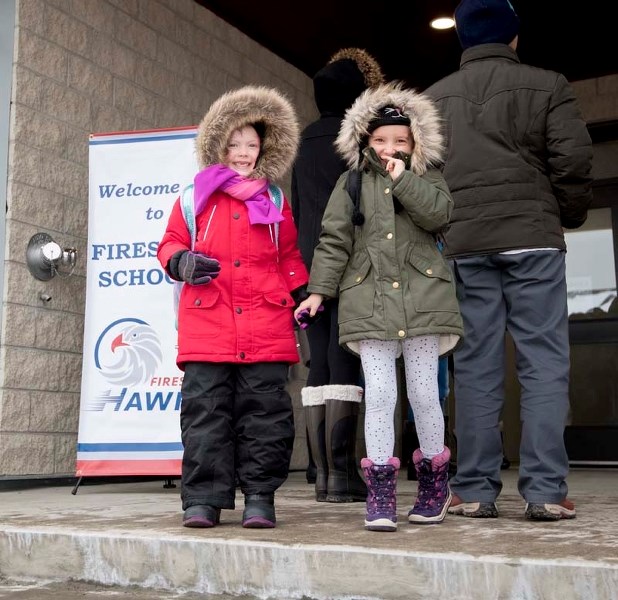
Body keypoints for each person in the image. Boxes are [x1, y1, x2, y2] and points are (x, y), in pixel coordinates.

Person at [424, 0, 593, 520]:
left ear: (464, 41)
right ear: (514, 37)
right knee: (543, 361)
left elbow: (423, 174)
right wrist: (563, 211)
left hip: (466, 242)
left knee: (474, 363)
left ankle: (474, 489)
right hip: (533, 240)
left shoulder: (432, 99)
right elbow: (574, 156)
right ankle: (544, 490)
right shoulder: (548, 85)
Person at [295, 82, 464, 531]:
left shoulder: (426, 175)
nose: (391, 147)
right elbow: (333, 240)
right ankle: (382, 489)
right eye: (381, 139)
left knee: (426, 393)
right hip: (368, 301)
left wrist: (402, 179)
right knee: (382, 395)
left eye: (401, 140)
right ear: (365, 142)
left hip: (423, 299)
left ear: (415, 143)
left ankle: (433, 481)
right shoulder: (349, 182)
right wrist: (318, 292)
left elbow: (438, 215)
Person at [157, 85, 308, 529]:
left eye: (252, 145)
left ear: (265, 149)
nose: (243, 153)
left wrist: (303, 293)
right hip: (209, 322)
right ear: (219, 145)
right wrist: (181, 262)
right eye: (235, 144)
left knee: (266, 416)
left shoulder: (275, 200)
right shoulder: (194, 197)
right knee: (206, 414)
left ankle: (260, 497)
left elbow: (289, 257)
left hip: (266, 322)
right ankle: (203, 499)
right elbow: (169, 244)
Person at [291, 48, 384, 503]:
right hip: (349, 265)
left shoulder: (303, 140)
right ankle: (343, 475)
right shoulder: (354, 143)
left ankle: (322, 473)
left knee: (319, 363)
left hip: (308, 269)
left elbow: (296, 210)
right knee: (345, 357)